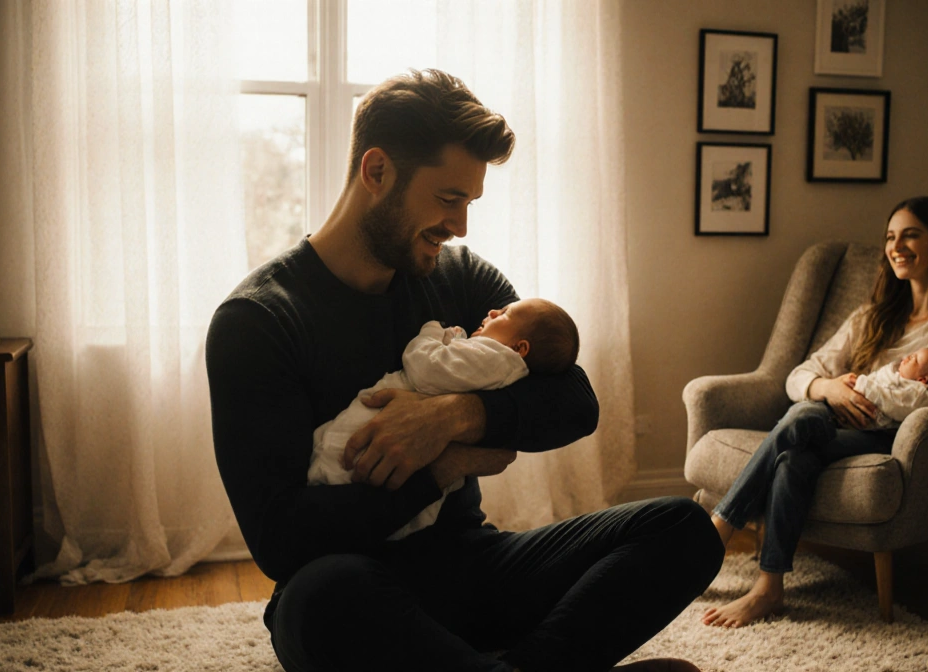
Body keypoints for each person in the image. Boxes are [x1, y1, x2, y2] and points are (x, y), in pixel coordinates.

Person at [206, 68, 723, 672]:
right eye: (449, 198)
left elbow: (575, 403)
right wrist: (441, 467)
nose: (460, 225)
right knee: (320, 600)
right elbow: (281, 541)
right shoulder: (258, 320)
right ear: (377, 172)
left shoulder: (460, 278)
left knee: (684, 530)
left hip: (474, 566)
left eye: (469, 202)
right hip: (355, 586)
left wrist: (456, 414)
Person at [702, 196, 928, 629]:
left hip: (892, 435)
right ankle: (769, 588)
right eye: (891, 237)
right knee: (795, 449)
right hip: (833, 420)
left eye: (911, 234)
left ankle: (717, 530)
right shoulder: (871, 316)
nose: (897, 246)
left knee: (800, 421)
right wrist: (830, 388)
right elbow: (800, 375)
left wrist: (887, 400)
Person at [309, 298, 579, 542]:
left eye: (504, 314)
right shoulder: (501, 367)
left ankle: (324, 478)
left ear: (519, 347)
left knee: (340, 447)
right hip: (409, 511)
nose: (493, 310)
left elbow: (425, 368)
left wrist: (431, 334)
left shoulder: (494, 358)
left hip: (385, 433)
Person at [849, 346, 928, 430]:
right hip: (852, 398)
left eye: (914, 359)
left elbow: (889, 402)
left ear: (922, 380)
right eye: (912, 354)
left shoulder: (914, 394)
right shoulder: (893, 371)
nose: (907, 357)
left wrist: (861, 385)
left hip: (865, 419)